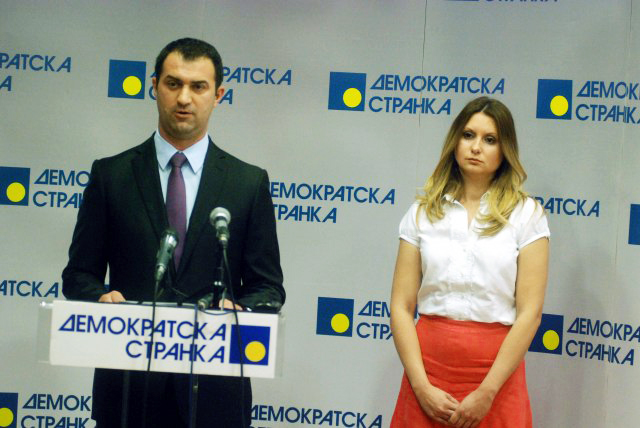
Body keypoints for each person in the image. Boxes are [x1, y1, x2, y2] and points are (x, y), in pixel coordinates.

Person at [62, 37, 285, 428]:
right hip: (128, 390)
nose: (184, 98)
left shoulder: (247, 183)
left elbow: (268, 288)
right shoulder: (111, 175)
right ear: (154, 86)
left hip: (215, 394)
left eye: (198, 87)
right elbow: (78, 275)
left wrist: (242, 310)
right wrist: (100, 297)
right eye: (173, 83)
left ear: (218, 95)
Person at [390, 97, 549, 428]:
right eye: (468, 135)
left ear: (505, 149)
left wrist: (488, 391)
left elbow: (530, 314)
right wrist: (421, 387)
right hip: (427, 373)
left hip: (496, 378)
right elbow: (401, 307)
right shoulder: (421, 212)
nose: (476, 147)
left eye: (489, 139)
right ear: (455, 141)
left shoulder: (527, 215)